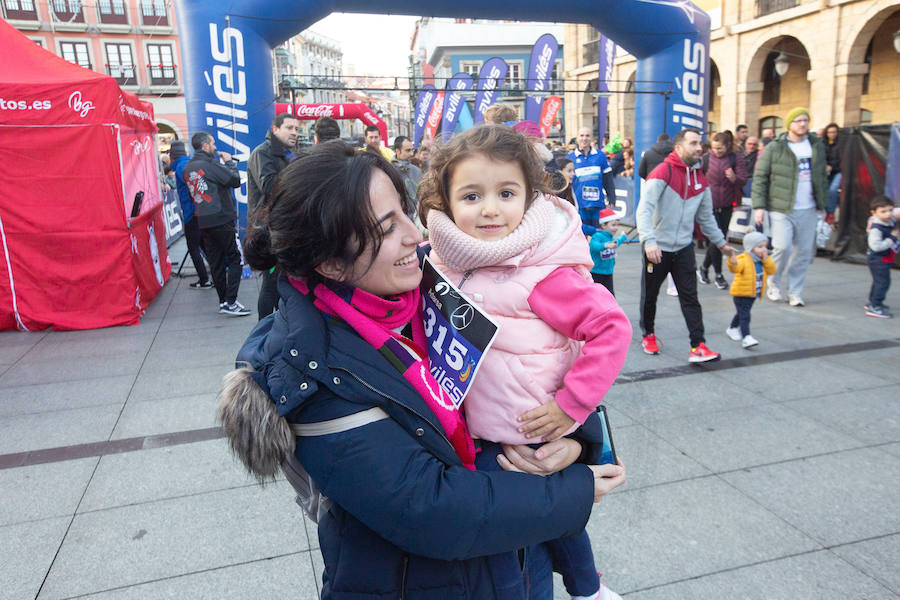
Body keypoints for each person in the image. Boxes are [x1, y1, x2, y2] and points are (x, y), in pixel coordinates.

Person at [219, 141, 627, 599]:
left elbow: (536, 365)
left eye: (405, 213)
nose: (415, 236)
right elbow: (430, 510)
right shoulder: (311, 371)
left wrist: (572, 440)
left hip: (516, 562)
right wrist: (574, 490)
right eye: (386, 228)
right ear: (331, 261)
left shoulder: (435, 282)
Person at [418, 124, 631, 600]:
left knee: (533, 538)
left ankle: (586, 589)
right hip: (475, 435)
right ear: (446, 202)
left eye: (506, 193)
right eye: (471, 195)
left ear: (530, 195)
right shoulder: (440, 261)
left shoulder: (542, 273)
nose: (490, 208)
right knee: (544, 526)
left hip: (529, 430)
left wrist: (571, 407)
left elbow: (611, 329)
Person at [636, 128, 737, 362]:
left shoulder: (701, 178)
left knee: (690, 297)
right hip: (657, 248)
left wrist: (723, 245)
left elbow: (706, 218)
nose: (699, 148)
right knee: (650, 295)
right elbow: (644, 209)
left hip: (683, 249)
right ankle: (648, 334)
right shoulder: (663, 172)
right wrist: (649, 241)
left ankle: (698, 345)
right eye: (693, 143)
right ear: (679, 148)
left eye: (700, 143)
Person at [752, 107, 827, 307]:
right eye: (798, 120)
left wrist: (823, 204)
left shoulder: (816, 145)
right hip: (781, 207)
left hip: (808, 207)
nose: (802, 124)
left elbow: (821, 177)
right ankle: (773, 285)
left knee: (803, 252)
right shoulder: (776, 147)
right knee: (782, 248)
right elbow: (760, 177)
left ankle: (795, 291)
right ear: (789, 125)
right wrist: (759, 206)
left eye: (805, 120)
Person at [182, 132, 250, 316]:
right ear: (204, 145)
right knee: (235, 259)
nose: (215, 147)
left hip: (203, 220)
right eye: (212, 143)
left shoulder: (188, 167)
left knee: (216, 262)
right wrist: (229, 162)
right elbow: (235, 180)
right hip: (221, 217)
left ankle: (224, 302)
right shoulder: (210, 164)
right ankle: (231, 301)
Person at [247, 112, 300, 319]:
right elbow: (269, 186)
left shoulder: (286, 154)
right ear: (275, 129)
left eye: (297, 128)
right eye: (290, 128)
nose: (294, 132)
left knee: (282, 281)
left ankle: (277, 326)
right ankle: (264, 330)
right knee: (271, 283)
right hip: (267, 229)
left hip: (282, 225)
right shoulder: (263, 153)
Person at [699, 132, 748, 290]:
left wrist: (734, 178)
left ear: (727, 146)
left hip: (727, 204)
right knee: (717, 239)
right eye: (714, 148)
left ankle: (704, 268)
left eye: (719, 149)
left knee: (719, 239)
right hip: (710, 205)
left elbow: (743, 179)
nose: (716, 151)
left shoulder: (735, 158)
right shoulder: (706, 159)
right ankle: (718, 275)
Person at [170, 140, 212, 289]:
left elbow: (193, 186)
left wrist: (196, 207)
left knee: (193, 247)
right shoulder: (188, 163)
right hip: (198, 212)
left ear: (172, 155)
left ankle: (204, 279)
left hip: (192, 213)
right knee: (202, 246)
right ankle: (214, 275)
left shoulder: (181, 166)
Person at [725, 231, 776, 349]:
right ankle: (747, 337)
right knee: (745, 315)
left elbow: (772, 270)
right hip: (741, 293)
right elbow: (735, 268)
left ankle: (732, 328)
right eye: (760, 247)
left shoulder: (762, 260)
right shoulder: (744, 259)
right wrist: (731, 259)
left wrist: (766, 259)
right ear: (750, 248)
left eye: (765, 246)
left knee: (741, 313)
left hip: (752, 293)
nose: (763, 249)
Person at [568, 127, 617, 235]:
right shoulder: (570, 158)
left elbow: (608, 179)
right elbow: (567, 184)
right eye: (581, 135)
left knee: (599, 236)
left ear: (592, 138)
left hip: (598, 205)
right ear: (577, 138)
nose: (584, 138)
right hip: (580, 205)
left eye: (587, 135)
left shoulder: (600, 156)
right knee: (582, 237)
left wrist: (612, 198)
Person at [864, 196, 898, 318]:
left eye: (890, 210)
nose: (888, 214)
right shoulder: (877, 228)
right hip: (878, 260)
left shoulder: (889, 221)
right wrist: (892, 239)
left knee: (878, 282)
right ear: (874, 213)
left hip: (885, 259)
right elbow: (876, 246)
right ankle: (875, 306)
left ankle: (872, 302)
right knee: (883, 283)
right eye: (883, 211)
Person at [589, 208, 629, 295]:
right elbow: (593, 246)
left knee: (610, 295)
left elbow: (616, 242)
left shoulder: (611, 237)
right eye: (613, 225)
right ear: (603, 225)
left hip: (608, 272)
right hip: (596, 273)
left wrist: (623, 236)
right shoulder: (598, 235)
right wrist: (605, 245)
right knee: (596, 295)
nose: (616, 228)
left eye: (617, 225)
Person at [823, 122, 842, 220]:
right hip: (826, 172)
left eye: (834, 132)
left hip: (838, 171)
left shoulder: (842, 143)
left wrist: (832, 166)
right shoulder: (823, 143)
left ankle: (831, 212)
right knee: (825, 191)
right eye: (829, 132)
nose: (832, 134)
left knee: (832, 190)